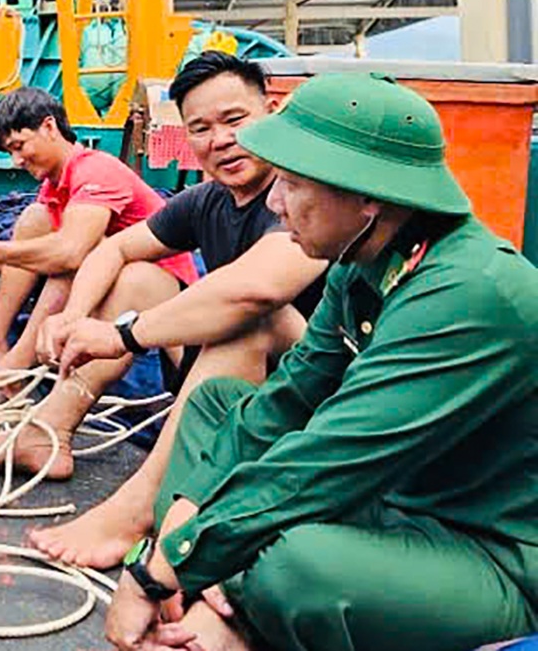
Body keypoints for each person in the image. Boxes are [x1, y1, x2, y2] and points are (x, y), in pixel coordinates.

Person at [79, 72, 538, 651]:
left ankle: (225, 602)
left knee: (293, 567)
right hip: (393, 501)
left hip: (490, 550)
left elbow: (332, 458)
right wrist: (178, 538)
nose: (275, 202)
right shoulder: (361, 263)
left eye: (293, 184)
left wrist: (159, 571)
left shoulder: (469, 293)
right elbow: (285, 402)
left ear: (369, 197)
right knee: (220, 406)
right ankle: (222, 598)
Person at [0, 54, 329, 567]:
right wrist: (73, 318)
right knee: (138, 278)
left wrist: (123, 336)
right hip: (226, 383)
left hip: (309, 403)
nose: (220, 140)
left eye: (235, 120)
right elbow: (113, 249)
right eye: (201, 128)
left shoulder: (305, 195)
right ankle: (49, 433)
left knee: (249, 315)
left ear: (272, 111)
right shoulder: (206, 199)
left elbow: (256, 290)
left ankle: (137, 509)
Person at [0, 87, 197, 390]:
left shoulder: (96, 169)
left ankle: (15, 369)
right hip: (109, 276)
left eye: (19, 146)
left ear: (49, 127)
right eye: (10, 152)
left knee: (71, 255)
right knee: (35, 219)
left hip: (160, 289)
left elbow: (71, 253)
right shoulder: (54, 184)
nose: (16, 161)